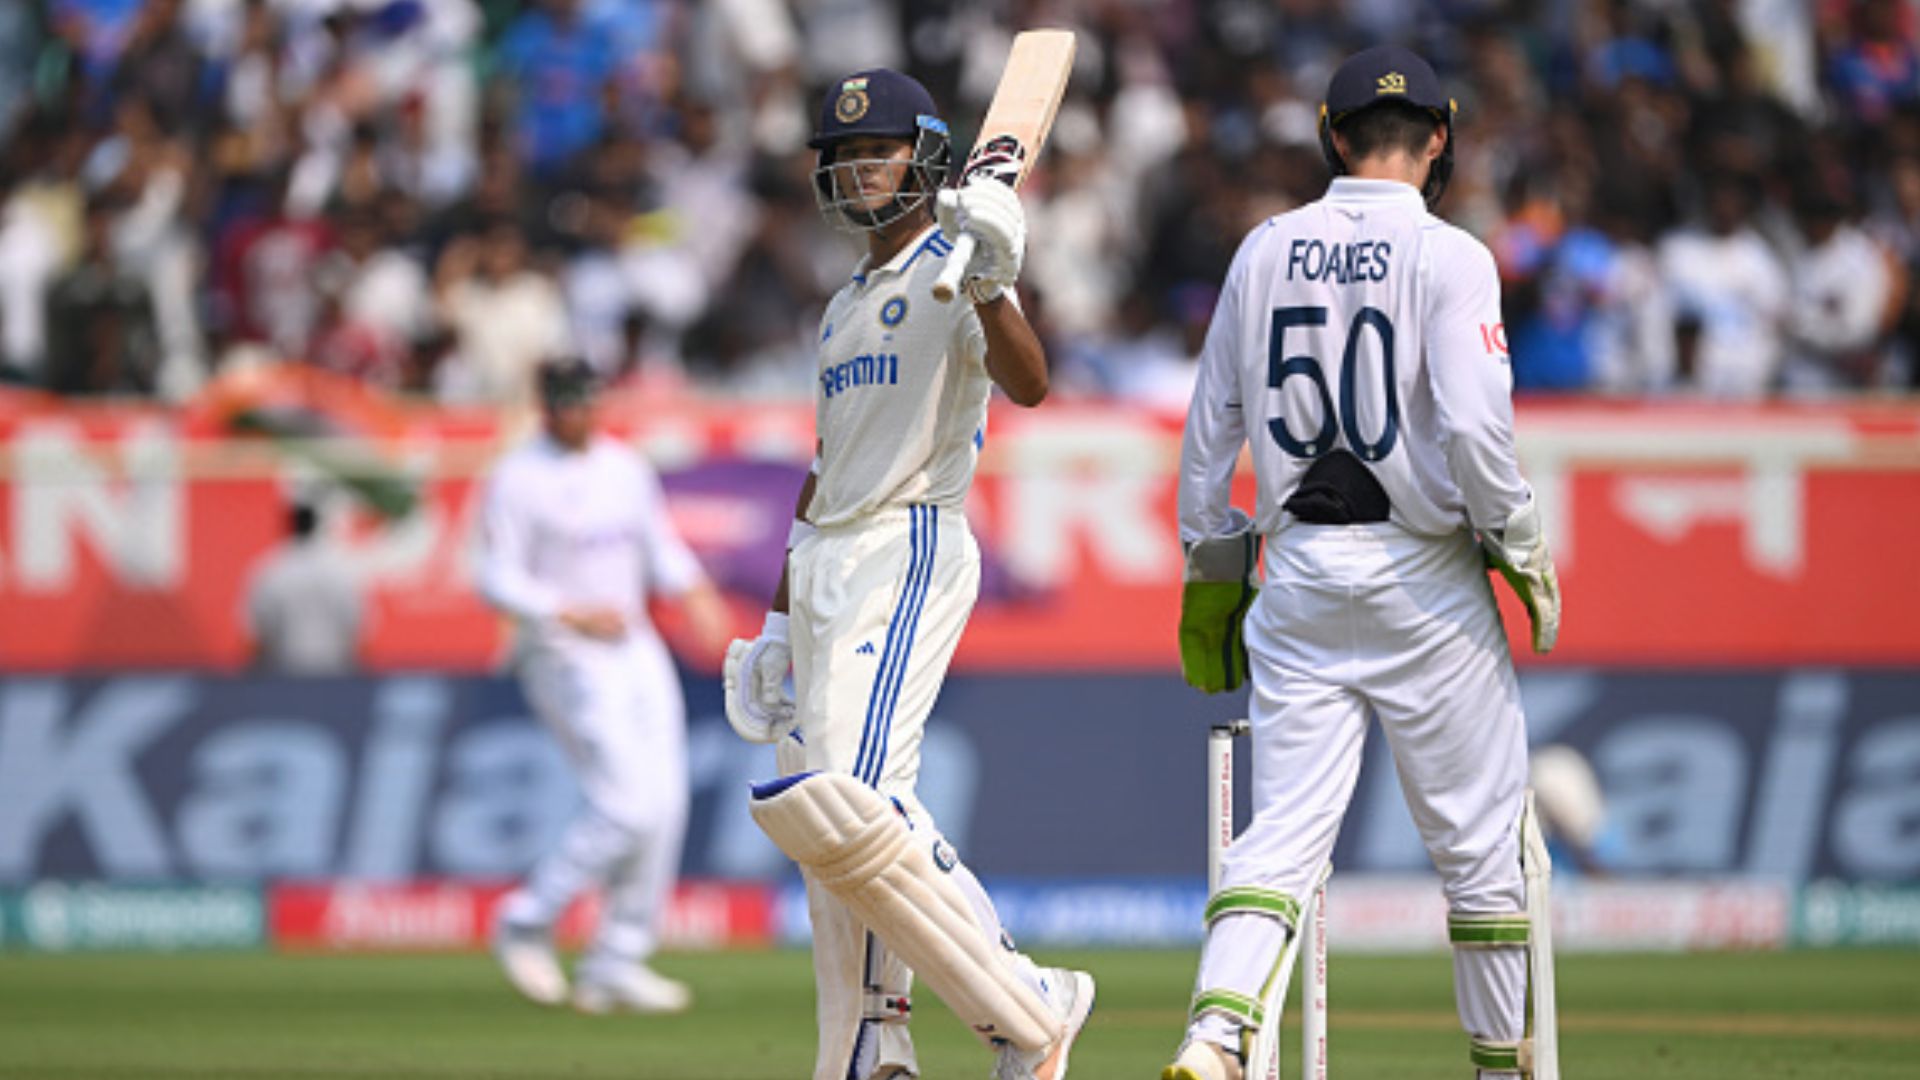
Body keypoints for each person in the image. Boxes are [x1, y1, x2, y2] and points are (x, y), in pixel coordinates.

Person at [1165, 46, 1563, 1080]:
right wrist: (1519, 542)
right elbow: (1478, 435)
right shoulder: (1454, 255)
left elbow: (1210, 431)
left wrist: (1213, 566)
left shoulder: (1262, 248)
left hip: (1296, 574)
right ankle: (1495, 1066)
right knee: (1481, 850)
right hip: (1425, 579)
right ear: (1439, 142)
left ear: (1333, 137)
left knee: (1281, 835)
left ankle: (1213, 1038)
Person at [722, 69, 1093, 1080]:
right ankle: (873, 1043)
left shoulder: (960, 259)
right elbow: (821, 469)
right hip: (828, 561)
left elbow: (1031, 383)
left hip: (908, 541)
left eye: (874, 150)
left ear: (925, 155)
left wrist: (990, 280)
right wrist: (772, 617)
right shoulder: (841, 307)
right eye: (841, 155)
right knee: (832, 824)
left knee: (856, 799)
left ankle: (1031, 1002)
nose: (854, 168)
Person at [477, 358, 728, 1014]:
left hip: (636, 646)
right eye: (564, 404)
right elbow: (495, 576)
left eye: (586, 402)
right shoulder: (517, 478)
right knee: (626, 806)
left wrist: (695, 592)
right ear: (545, 407)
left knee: (666, 804)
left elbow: (659, 546)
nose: (578, 415)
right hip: (564, 656)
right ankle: (527, 919)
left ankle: (616, 959)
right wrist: (566, 610)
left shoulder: (624, 467)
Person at [244, 500, 364, 674]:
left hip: (283, 677)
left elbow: (257, 634)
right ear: (317, 526)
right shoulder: (341, 570)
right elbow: (356, 628)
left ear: (289, 526)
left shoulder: (271, 570)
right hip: (334, 676)